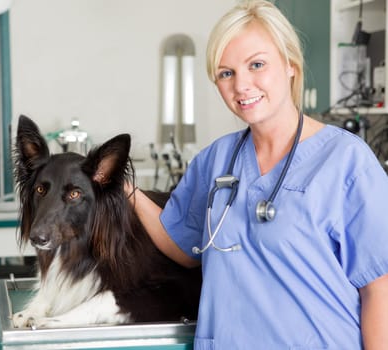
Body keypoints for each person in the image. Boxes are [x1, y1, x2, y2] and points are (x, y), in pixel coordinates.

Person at [125, 0, 388, 348]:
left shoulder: (346, 161)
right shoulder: (216, 161)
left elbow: (379, 288)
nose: (241, 85)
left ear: (291, 65)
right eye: (226, 73)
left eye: (257, 64)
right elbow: (184, 244)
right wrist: (125, 190)